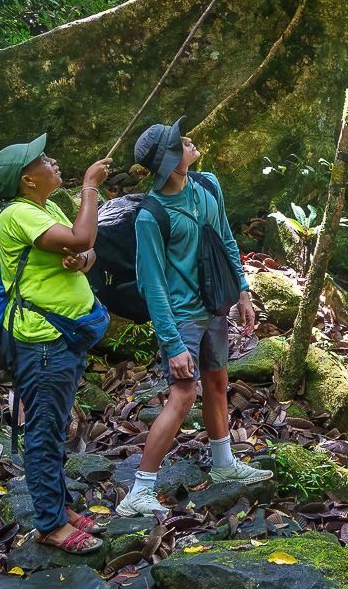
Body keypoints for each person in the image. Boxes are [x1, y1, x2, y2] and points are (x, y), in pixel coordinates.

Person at [116, 118, 271, 516]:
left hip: (213, 307)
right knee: (184, 395)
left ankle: (223, 465)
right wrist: (171, 344)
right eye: (180, 142)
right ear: (170, 161)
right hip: (180, 317)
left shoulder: (207, 185)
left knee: (218, 381)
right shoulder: (151, 216)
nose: (189, 141)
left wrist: (243, 292)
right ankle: (139, 491)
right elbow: (151, 284)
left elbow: (226, 239)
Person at [0, 134, 113, 553]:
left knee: (56, 423)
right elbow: (80, 237)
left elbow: (85, 247)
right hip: (42, 342)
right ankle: (49, 523)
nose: (53, 161)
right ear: (27, 180)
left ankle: (57, 506)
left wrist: (82, 260)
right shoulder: (18, 215)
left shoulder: (46, 208)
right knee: (44, 429)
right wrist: (90, 187)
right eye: (43, 160)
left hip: (64, 337)